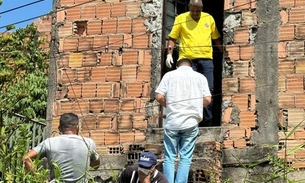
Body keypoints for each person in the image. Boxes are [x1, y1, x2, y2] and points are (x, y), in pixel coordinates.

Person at [165, 0, 223, 125]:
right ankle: (189, 122)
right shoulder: (181, 18)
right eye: (193, 11)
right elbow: (173, 38)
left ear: (202, 8)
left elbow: (216, 38)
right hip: (187, 61)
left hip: (206, 59)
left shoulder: (208, 18)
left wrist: (224, 52)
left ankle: (207, 121)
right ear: (189, 8)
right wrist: (169, 54)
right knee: (189, 90)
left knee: (208, 89)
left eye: (198, 11)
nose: (195, 13)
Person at [155, 59, 212, 183]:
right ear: (192, 67)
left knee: (169, 158)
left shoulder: (169, 75)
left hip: (173, 122)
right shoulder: (200, 77)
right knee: (185, 157)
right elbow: (207, 100)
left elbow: (159, 96)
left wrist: (168, 106)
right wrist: (194, 106)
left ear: (176, 66)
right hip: (191, 123)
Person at [22, 113, 100, 183]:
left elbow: (26, 158)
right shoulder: (89, 143)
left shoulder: (49, 142)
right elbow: (95, 165)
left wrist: (40, 179)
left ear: (59, 128)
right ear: (77, 127)